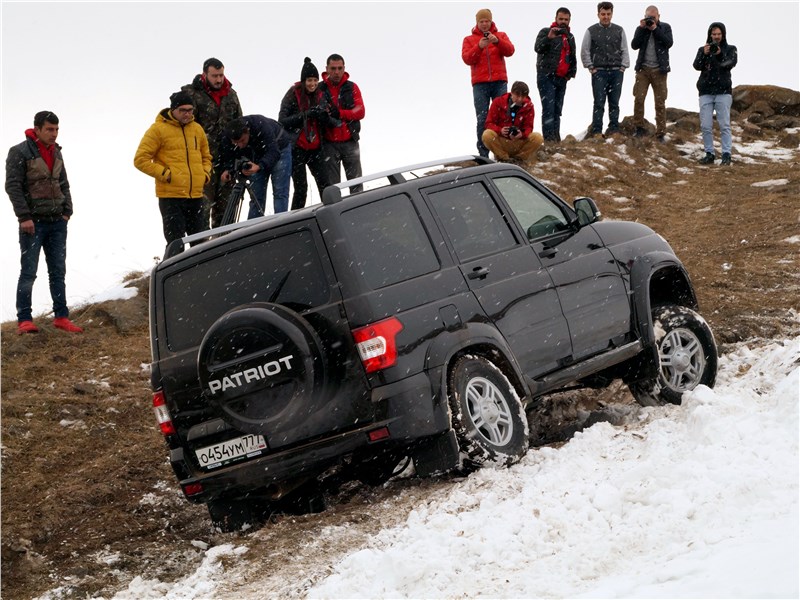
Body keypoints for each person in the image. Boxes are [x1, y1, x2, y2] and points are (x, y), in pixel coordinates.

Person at [6, 111, 83, 334]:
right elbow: (13, 186)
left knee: (58, 271)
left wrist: (67, 211)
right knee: (29, 271)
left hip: (57, 222)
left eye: (57, 129)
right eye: (49, 129)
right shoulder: (19, 151)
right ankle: (24, 319)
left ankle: (61, 317)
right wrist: (24, 217)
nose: (54, 134)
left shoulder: (57, 152)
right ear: (37, 129)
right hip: (33, 224)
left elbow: (63, 183)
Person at [134, 91, 212, 246]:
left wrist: (205, 174)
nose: (187, 114)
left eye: (190, 110)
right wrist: (166, 175)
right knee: (176, 244)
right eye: (183, 110)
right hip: (171, 197)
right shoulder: (157, 129)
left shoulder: (197, 129)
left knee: (200, 244)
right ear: (173, 109)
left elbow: (206, 157)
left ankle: (200, 271)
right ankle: (175, 271)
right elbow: (140, 159)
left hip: (196, 196)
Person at [181, 57, 243, 228]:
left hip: (227, 162)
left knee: (226, 215)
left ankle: (224, 250)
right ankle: (203, 250)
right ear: (205, 74)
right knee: (201, 212)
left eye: (221, 75)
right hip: (201, 163)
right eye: (215, 75)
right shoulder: (191, 94)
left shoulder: (231, 95)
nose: (218, 79)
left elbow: (240, 125)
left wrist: (237, 157)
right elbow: (182, 126)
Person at [279, 57, 331, 209]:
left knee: (325, 186)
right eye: (309, 80)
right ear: (303, 80)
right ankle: (295, 224)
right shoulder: (292, 94)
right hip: (297, 148)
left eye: (315, 80)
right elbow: (282, 120)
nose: (313, 84)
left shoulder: (320, 95)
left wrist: (323, 116)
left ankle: (330, 213)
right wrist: (306, 114)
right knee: (301, 189)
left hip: (316, 147)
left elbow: (327, 120)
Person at [462, 8, 515, 156]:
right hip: (480, 84)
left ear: (491, 21)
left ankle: (501, 151)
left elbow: (510, 51)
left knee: (502, 116)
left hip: (499, 82)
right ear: (477, 23)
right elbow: (467, 59)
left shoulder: (500, 35)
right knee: (482, 118)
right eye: (481, 21)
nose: (484, 24)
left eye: (487, 21)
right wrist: (478, 46)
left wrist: (497, 41)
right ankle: (483, 154)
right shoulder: (469, 39)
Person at [219, 115, 292, 217]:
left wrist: (260, 166)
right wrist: (228, 169)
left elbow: (274, 151)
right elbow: (227, 155)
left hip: (280, 149)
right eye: (236, 143)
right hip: (256, 156)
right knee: (256, 197)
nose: (240, 145)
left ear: (247, 132)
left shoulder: (261, 126)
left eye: (242, 141)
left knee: (280, 192)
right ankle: (255, 227)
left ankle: (281, 223)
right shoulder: (226, 136)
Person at [581, 1, 629, 137]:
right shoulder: (591, 30)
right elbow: (585, 50)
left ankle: (614, 128)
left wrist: (623, 67)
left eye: (608, 14)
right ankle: (597, 131)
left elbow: (624, 49)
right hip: (599, 72)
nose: (606, 17)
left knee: (614, 102)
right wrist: (590, 67)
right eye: (603, 14)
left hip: (616, 71)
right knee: (599, 102)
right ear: (598, 14)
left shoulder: (619, 30)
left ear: (612, 14)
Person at [318, 54, 365, 193]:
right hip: (328, 143)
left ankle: (358, 213)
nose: (337, 72)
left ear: (344, 68)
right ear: (327, 69)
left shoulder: (352, 87)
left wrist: (340, 113)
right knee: (333, 188)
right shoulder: (320, 89)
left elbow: (360, 111)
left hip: (350, 141)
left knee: (357, 186)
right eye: (333, 68)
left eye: (339, 68)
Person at [693, 22, 738, 165]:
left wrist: (719, 55)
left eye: (719, 34)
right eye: (714, 34)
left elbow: (730, 63)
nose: (716, 37)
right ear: (710, 35)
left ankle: (726, 154)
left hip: (723, 91)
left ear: (723, 35)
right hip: (705, 91)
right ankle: (709, 154)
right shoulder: (703, 49)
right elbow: (696, 65)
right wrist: (705, 54)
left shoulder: (731, 49)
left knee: (724, 124)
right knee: (705, 125)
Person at [534, 7, 577, 142]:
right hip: (546, 76)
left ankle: (556, 140)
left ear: (569, 21)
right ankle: (549, 140)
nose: (563, 22)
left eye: (566, 19)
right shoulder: (546, 31)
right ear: (555, 19)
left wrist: (571, 73)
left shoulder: (570, 36)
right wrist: (548, 38)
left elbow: (572, 56)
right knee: (548, 109)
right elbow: (537, 48)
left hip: (562, 78)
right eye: (561, 19)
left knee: (557, 110)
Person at [631, 6, 673, 141]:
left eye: (653, 18)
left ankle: (661, 132)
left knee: (660, 102)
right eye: (648, 17)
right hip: (643, 70)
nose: (651, 20)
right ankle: (639, 128)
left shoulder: (665, 27)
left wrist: (655, 29)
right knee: (639, 98)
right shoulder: (641, 29)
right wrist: (642, 29)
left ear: (658, 16)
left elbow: (668, 43)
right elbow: (634, 45)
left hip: (659, 71)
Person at [481, 81, 544, 163]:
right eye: (517, 95)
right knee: (487, 134)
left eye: (523, 96)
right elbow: (488, 123)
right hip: (501, 141)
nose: (520, 99)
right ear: (512, 93)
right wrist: (500, 130)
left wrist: (522, 134)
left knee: (538, 138)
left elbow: (529, 127)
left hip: (519, 142)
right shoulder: (498, 102)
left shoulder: (529, 106)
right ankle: (504, 158)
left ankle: (519, 159)